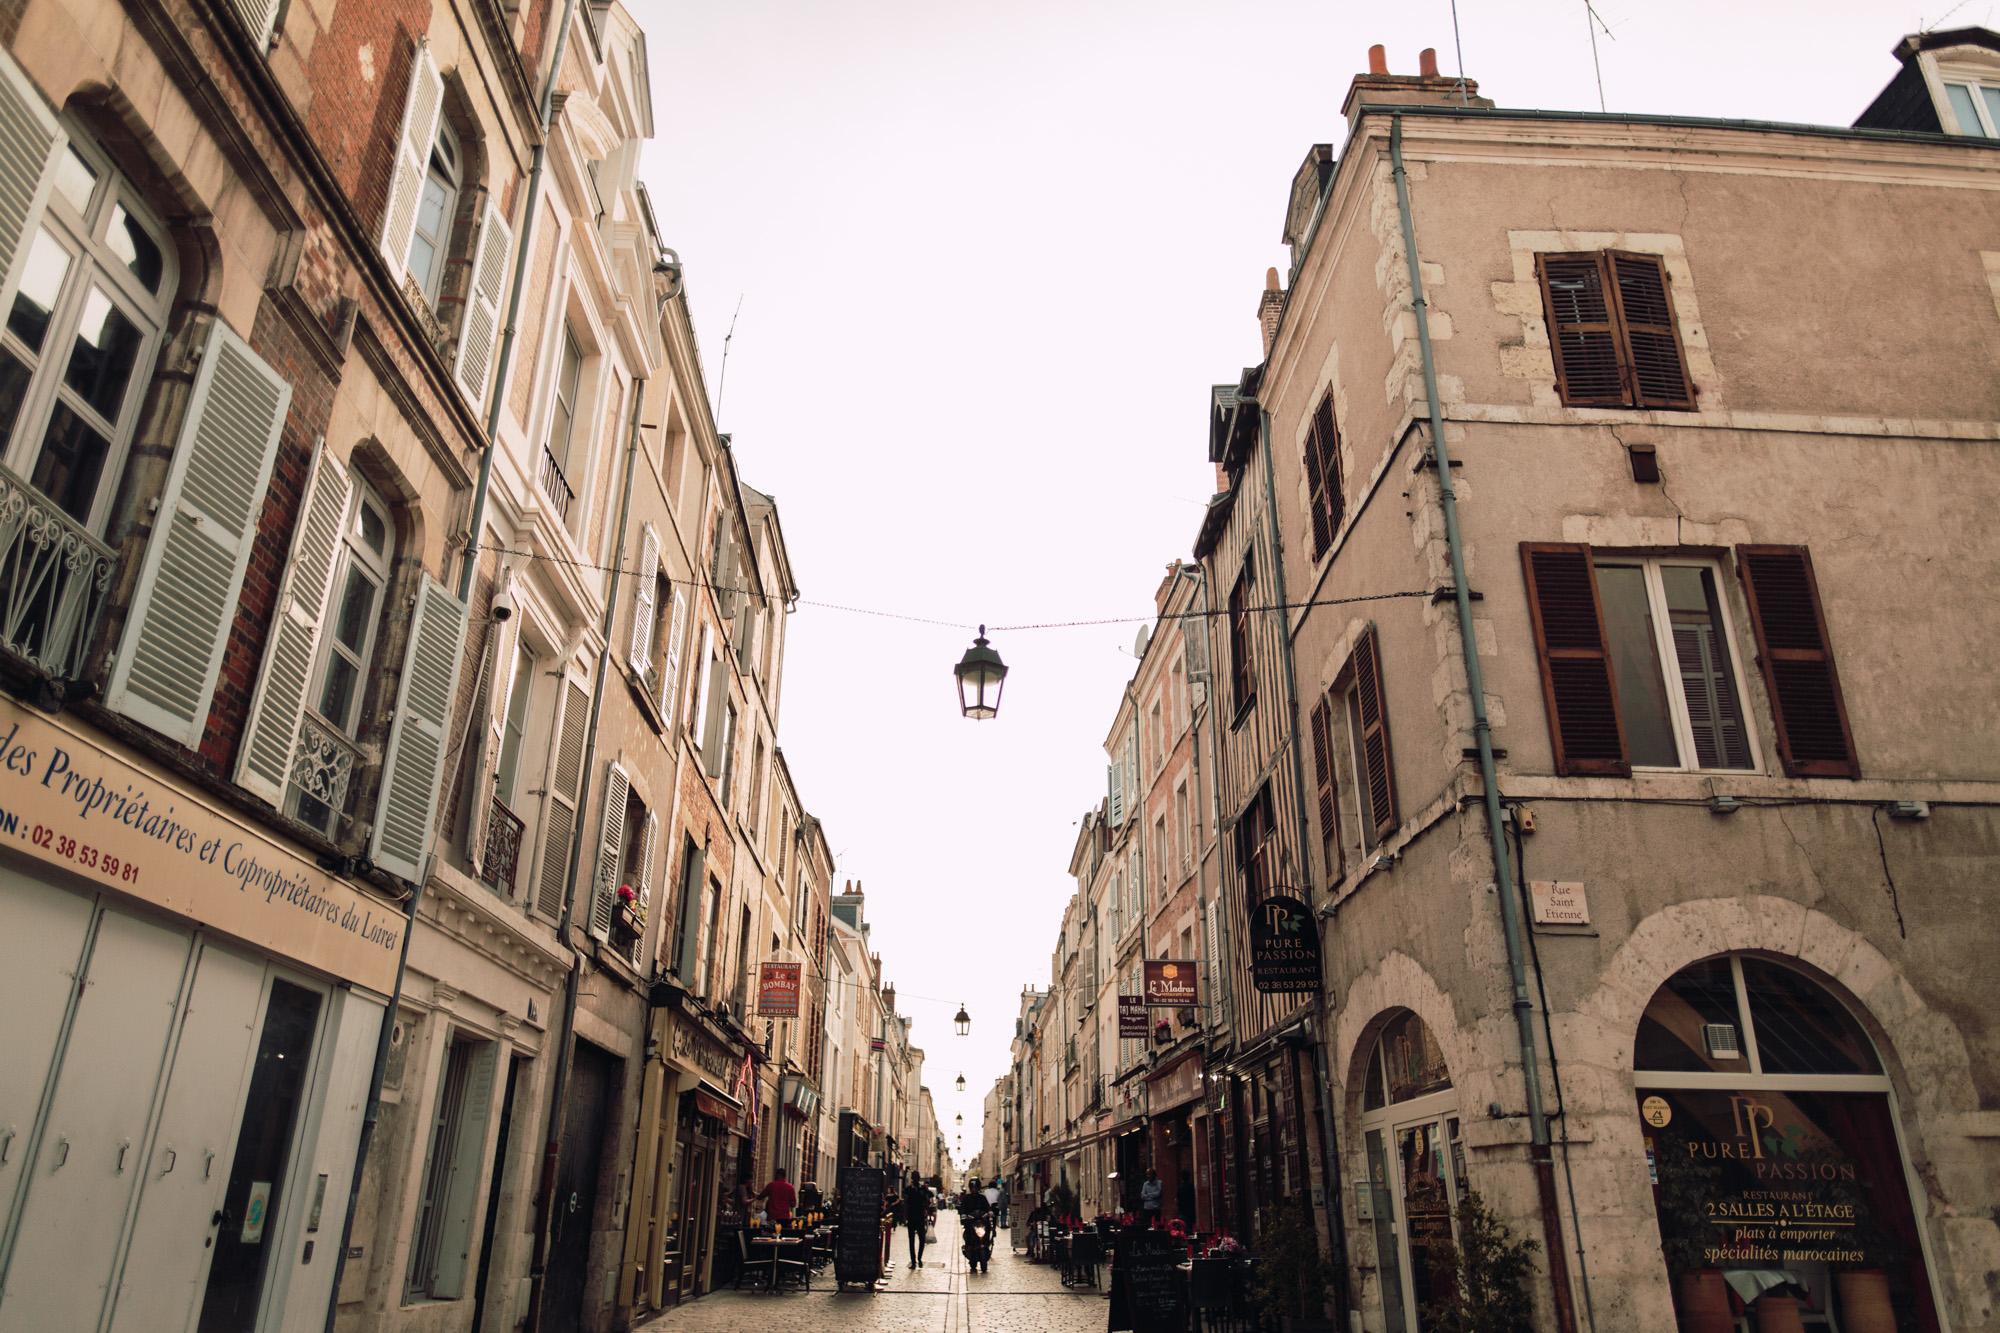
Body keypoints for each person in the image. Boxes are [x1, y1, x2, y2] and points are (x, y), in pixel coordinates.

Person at [902, 1176, 932, 1267]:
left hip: (917, 1217)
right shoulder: (909, 1189)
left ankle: (917, 1259)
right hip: (914, 1217)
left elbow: (929, 1198)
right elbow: (905, 1201)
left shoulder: (921, 1189)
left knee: (920, 1240)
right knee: (914, 1240)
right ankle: (915, 1261)